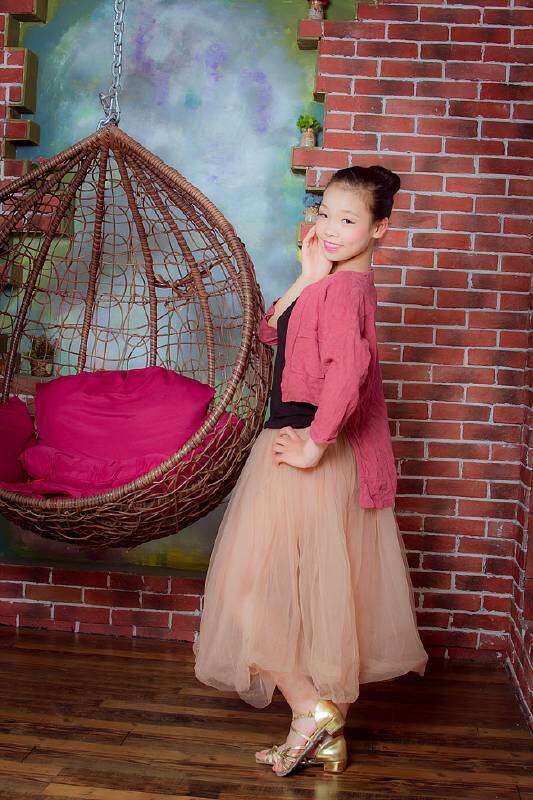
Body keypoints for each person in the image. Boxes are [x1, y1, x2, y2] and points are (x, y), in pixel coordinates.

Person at [193, 165, 429, 777]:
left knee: (251, 592)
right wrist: (307, 275)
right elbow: (273, 332)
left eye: (348, 220)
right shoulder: (335, 283)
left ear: (380, 229)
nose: (329, 228)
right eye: (324, 214)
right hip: (312, 449)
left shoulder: (346, 291)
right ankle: (327, 736)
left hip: (306, 451)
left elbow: (350, 368)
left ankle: (310, 710)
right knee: (323, 597)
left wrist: (315, 446)